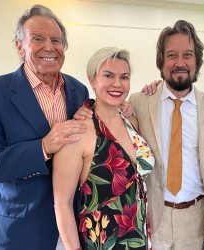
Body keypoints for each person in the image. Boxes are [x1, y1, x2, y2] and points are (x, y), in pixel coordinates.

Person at [0, 5, 90, 249]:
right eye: (37, 39)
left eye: (56, 40)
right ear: (19, 46)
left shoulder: (79, 91)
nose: (49, 47)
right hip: (22, 225)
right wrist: (43, 147)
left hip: (75, 219)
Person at [129, 20, 204, 250]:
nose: (179, 62)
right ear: (161, 62)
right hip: (154, 214)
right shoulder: (139, 102)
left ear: (197, 61)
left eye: (187, 55)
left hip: (197, 217)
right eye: (171, 55)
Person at [53, 47, 155, 250]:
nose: (117, 83)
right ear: (92, 80)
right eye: (108, 75)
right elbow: (62, 204)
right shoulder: (78, 132)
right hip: (102, 241)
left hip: (140, 237)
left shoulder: (130, 120)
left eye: (124, 77)